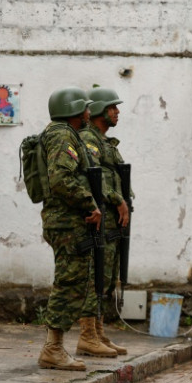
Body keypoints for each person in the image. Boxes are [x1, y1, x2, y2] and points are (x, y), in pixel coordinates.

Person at [37, 86, 104, 371]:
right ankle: (52, 348)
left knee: (71, 281)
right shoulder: (63, 135)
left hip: (63, 221)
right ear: (75, 111)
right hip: (67, 222)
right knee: (68, 283)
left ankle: (55, 347)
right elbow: (61, 179)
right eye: (86, 108)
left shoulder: (60, 134)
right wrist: (90, 204)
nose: (90, 112)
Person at [78, 86, 131, 356]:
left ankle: (98, 332)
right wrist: (117, 199)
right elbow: (94, 177)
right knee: (94, 275)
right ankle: (87, 335)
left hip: (111, 223)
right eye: (112, 107)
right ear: (99, 110)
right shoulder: (88, 139)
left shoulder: (105, 142)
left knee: (106, 277)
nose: (117, 112)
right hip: (99, 221)